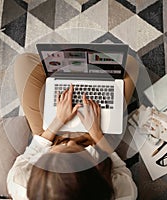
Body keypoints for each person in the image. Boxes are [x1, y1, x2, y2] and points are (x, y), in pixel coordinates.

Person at [7, 52, 139, 200]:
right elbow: (120, 169)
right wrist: (96, 133)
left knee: (24, 62)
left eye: (56, 153)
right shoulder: (123, 194)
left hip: (49, 137)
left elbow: (27, 158)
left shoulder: (20, 184)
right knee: (129, 64)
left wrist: (56, 122)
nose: (69, 141)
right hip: (98, 143)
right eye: (73, 151)